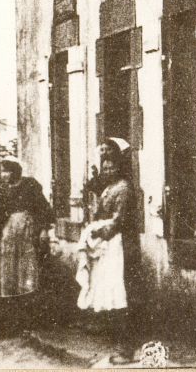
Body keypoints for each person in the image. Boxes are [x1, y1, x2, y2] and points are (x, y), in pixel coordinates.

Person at [76, 138, 141, 364]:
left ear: (120, 167)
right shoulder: (108, 187)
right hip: (111, 247)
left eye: (112, 166)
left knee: (121, 295)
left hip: (122, 247)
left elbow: (118, 220)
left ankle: (127, 349)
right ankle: (121, 344)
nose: (108, 170)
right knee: (111, 294)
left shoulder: (123, 188)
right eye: (105, 167)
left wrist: (98, 233)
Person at [0, 158, 54, 297]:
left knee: (28, 264)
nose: (3, 175)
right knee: (9, 267)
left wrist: (44, 230)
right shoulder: (1, 190)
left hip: (28, 231)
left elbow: (43, 208)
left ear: (15, 171)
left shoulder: (30, 185)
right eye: (1, 171)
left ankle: (27, 295)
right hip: (9, 233)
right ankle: (10, 297)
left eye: (7, 171)